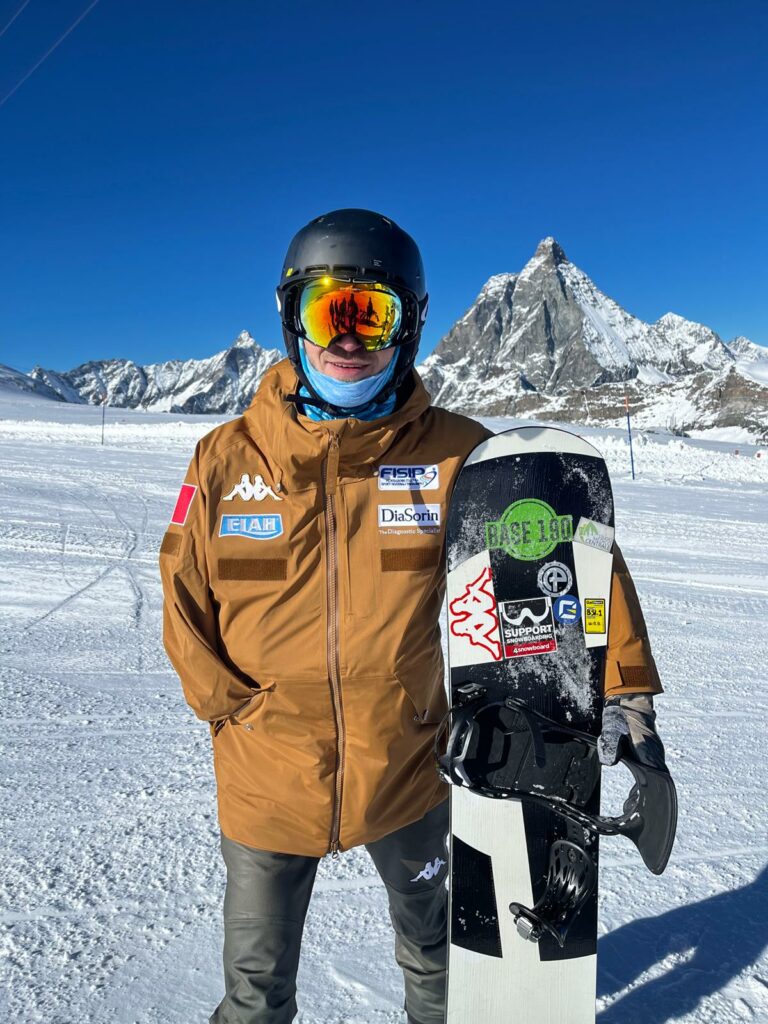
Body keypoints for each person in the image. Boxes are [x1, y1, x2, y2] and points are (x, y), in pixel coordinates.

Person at [159, 208, 668, 1024]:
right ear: (292, 318)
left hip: (407, 767)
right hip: (265, 778)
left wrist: (627, 687)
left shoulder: (457, 455)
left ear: (410, 326)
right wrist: (230, 710)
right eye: (329, 310)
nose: (347, 338)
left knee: (439, 962)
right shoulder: (224, 458)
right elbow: (183, 591)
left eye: (372, 314)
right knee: (254, 991)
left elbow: (570, 545)